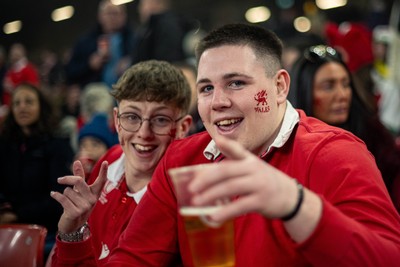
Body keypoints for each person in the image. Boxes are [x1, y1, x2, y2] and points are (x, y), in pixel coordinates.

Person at [100, 23, 400, 266]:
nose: (218, 102)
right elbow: (133, 257)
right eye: (206, 88)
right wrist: (73, 238)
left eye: (236, 83)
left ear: (279, 87)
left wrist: (297, 207)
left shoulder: (335, 154)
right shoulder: (183, 160)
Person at [48, 60, 192, 266]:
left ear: (183, 127)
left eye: (160, 119)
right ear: (116, 121)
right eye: (132, 117)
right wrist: (71, 233)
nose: (143, 134)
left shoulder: (185, 197)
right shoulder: (110, 159)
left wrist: (73, 239)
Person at [288, 44, 400, 212]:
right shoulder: (287, 148)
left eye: (346, 84)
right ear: (305, 92)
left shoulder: (375, 138)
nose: (342, 95)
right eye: (328, 86)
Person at [0, 83, 74, 254]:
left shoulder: (58, 145)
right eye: (17, 103)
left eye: (29, 102)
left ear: (41, 107)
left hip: (46, 231)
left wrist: (17, 215)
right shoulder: (5, 144)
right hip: (7, 223)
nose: (22, 107)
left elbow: (59, 198)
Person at [65, 0, 134, 88]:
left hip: (127, 90)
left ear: (124, 16)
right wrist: (89, 64)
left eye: (116, 13)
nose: (112, 17)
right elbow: (70, 71)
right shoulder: (85, 42)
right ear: (100, 16)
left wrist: (130, 63)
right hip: (96, 92)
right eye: (109, 13)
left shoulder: (135, 39)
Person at [131, 0, 191, 64]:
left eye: (142, 5)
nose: (139, 9)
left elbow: (168, 62)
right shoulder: (154, 28)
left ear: (153, 4)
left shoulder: (168, 27)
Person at [76, 113, 119, 179]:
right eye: (84, 145)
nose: (88, 149)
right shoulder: (79, 171)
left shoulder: (114, 174)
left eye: (94, 145)